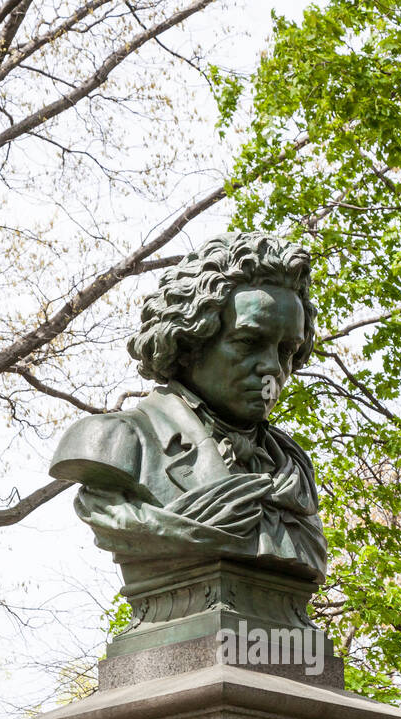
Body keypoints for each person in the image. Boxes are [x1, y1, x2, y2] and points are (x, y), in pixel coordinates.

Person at [49, 232, 327, 591]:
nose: (273, 367)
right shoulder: (115, 441)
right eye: (248, 342)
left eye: (287, 350)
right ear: (187, 343)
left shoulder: (293, 467)